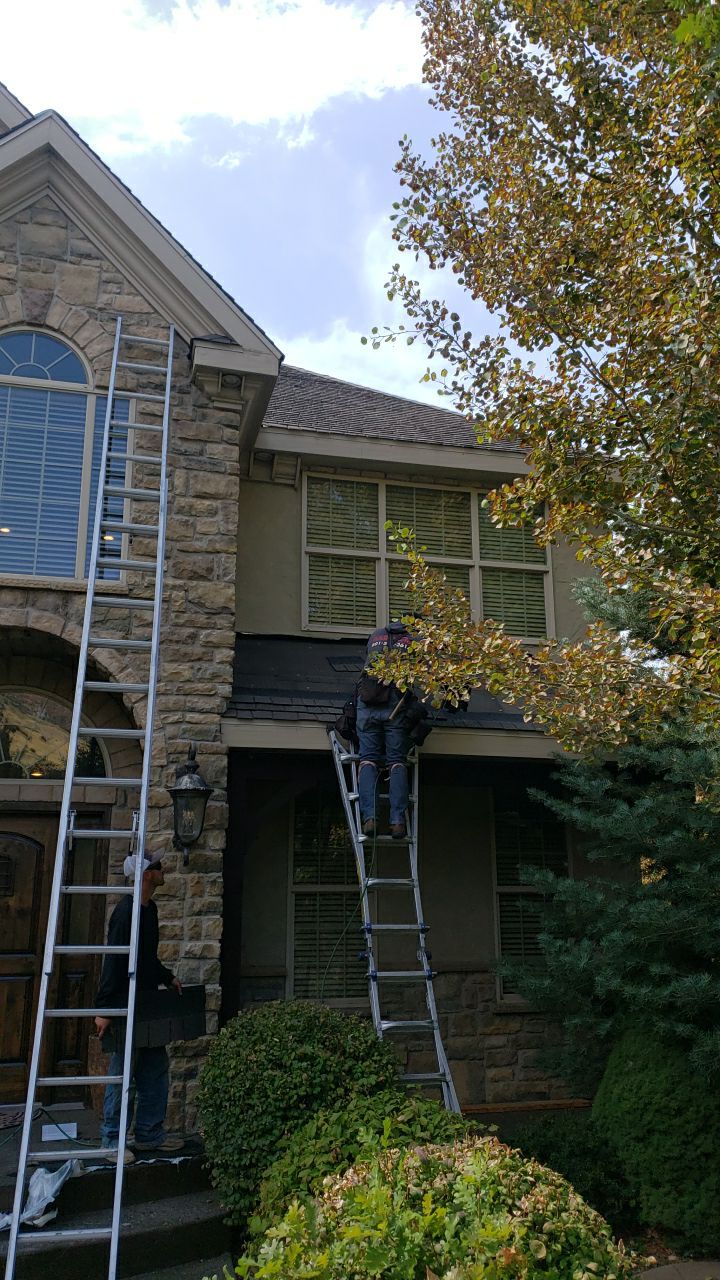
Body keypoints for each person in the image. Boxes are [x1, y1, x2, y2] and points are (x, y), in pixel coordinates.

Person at [94, 853, 184, 1158]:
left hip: (147, 1002)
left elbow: (146, 958)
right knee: (123, 1073)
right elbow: (114, 960)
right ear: (146, 875)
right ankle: (112, 1141)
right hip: (124, 1002)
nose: (163, 870)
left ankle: (149, 1134)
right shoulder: (125, 912)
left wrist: (167, 977)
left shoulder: (150, 909)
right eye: (158, 868)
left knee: (155, 1068)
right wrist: (105, 1009)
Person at [356, 620, 428, 840]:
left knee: (368, 760)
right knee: (396, 762)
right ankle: (397, 823)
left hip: (367, 702)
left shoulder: (376, 635)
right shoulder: (413, 640)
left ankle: (370, 819)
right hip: (394, 706)